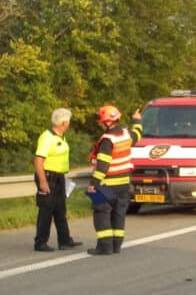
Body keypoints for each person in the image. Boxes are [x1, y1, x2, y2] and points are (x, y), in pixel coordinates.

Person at [86, 104, 142, 256]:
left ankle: (105, 247)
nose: (99, 124)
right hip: (124, 184)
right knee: (119, 214)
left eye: (101, 121)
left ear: (108, 122)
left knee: (101, 213)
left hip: (106, 185)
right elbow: (137, 134)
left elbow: (102, 166)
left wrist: (93, 184)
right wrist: (137, 120)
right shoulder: (126, 133)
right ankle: (116, 245)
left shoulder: (107, 140)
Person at [33, 108, 82, 252]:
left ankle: (64, 240)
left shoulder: (61, 137)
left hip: (59, 177)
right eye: (69, 121)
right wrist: (43, 182)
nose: (70, 123)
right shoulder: (47, 137)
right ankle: (40, 242)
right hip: (47, 176)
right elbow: (38, 160)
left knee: (60, 209)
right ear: (64, 123)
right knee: (46, 209)